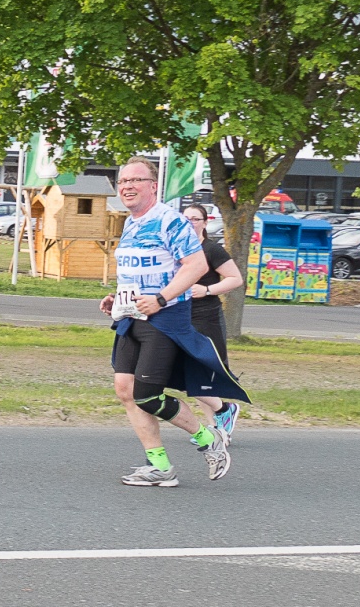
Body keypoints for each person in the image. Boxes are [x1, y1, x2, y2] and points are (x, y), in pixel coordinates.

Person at [99, 156, 248, 487]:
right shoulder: (132, 223)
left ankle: (209, 441)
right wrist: (117, 298)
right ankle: (160, 467)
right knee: (126, 389)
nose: (127, 187)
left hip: (164, 318)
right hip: (132, 315)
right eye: (122, 181)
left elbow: (194, 265)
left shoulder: (170, 221)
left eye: (135, 180)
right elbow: (139, 270)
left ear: (153, 186)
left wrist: (162, 298)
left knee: (148, 395)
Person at [182, 204, 244, 441]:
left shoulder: (212, 250)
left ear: (205, 223)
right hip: (181, 317)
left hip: (206, 317)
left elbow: (235, 279)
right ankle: (220, 420)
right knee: (190, 375)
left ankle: (219, 423)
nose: (189, 223)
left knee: (204, 374)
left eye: (195, 219)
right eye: (185, 218)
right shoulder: (178, 249)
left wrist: (207, 290)